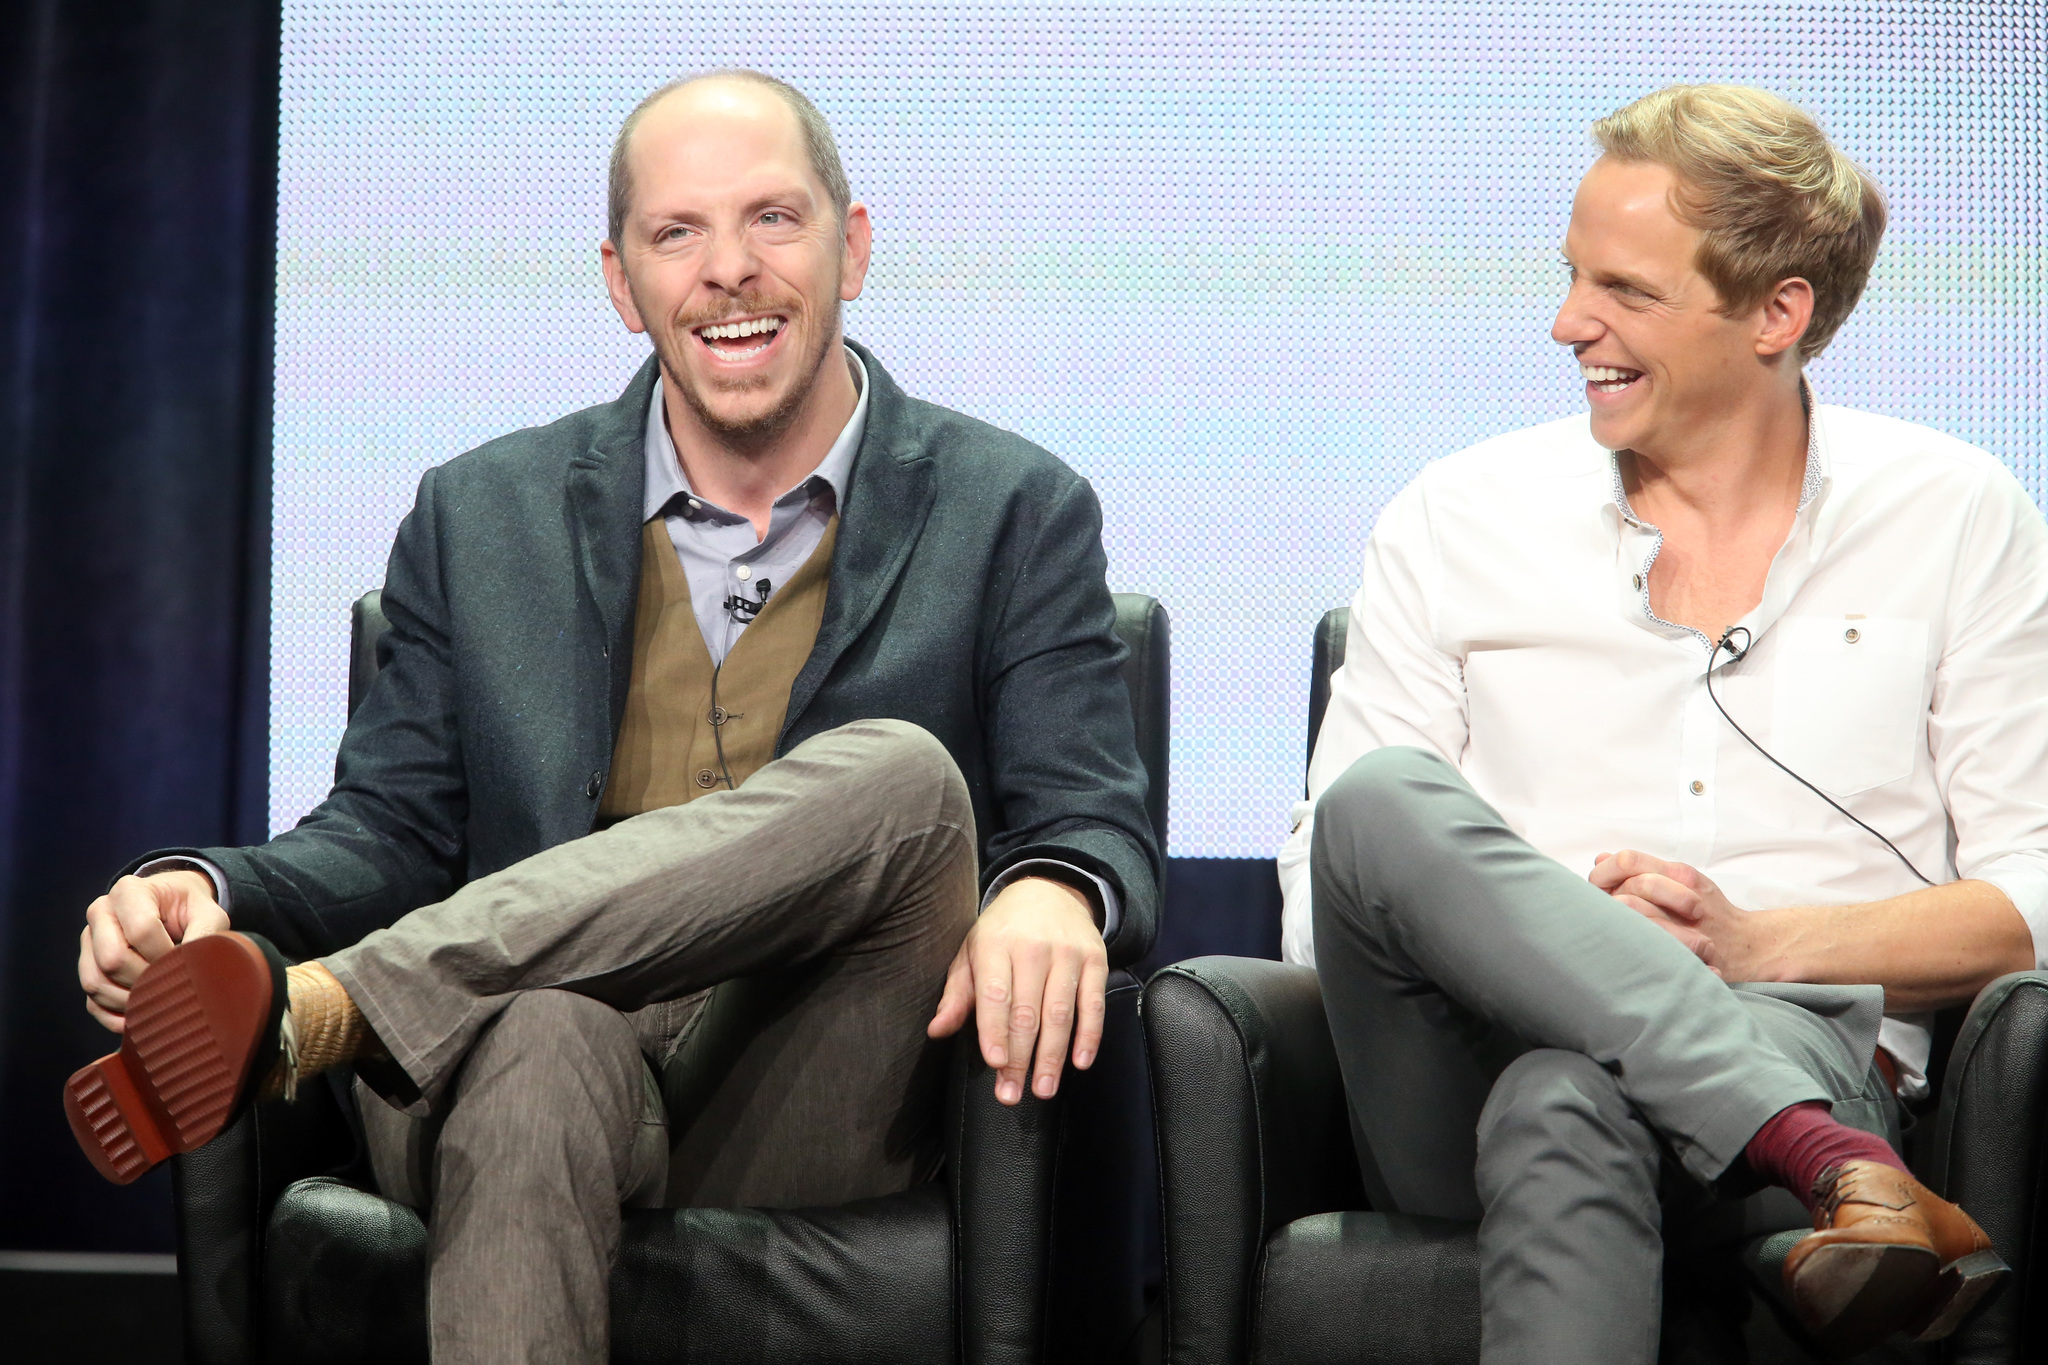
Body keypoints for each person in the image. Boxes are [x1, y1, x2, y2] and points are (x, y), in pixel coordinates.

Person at [66, 69, 1158, 1362]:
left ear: (852, 246)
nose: (729, 272)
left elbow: (1093, 817)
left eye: (773, 220)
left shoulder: (1014, 507)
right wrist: (209, 887)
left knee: (910, 780)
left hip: (805, 1078)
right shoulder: (480, 513)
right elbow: (388, 830)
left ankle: (331, 1007)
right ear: (619, 279)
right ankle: (364, 1000)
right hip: (486, 1061)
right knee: (540, 1038)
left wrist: (1058, 885)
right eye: (677, 232)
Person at [1279, 84, 2040, 1361]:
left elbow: (2030, 895)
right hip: (1457, 1066)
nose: (1569, 322)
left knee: (1564, 1096)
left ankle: (1800, 1144)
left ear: (1775, 313)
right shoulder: (1457, 514)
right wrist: (1563, 947)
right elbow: (1323, 894)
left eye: (1623, 291)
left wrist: (1755, 945)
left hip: (1788, 1031)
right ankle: (1834, 1170)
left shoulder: (1953, 514)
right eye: (1574, 278)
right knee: (1374, 805)